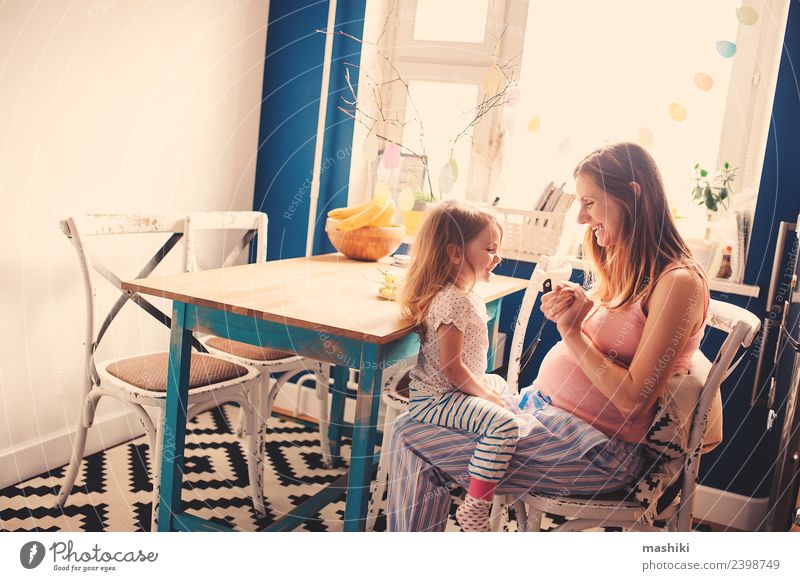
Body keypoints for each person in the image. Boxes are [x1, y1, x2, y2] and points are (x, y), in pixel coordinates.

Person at [386, 142, 710, 531]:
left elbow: (633, 402)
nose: (580, 217)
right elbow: (622, 338)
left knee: (410, 435)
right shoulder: (629, 266)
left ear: (634, 194)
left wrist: (572, 332)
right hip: (545, 417)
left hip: (595, 451)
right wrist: (585, 307)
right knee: (415, 426)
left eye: (589, 201)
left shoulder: (679, 283)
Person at [398, 200, 519, 532]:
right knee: (504, 424)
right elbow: (453, 368)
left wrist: (488, 392)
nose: (498, 257)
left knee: (501, 388)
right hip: (436, 399)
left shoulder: (466, 296)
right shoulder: (453, 300)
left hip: (452, 391)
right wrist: (485, 398)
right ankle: (475, 506)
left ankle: (493, 451)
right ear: (455, 253)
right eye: (490, 248)